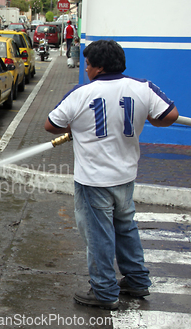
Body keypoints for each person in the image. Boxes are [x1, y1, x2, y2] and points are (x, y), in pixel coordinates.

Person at [44, 40, 179, 309]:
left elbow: (51, 124)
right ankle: (137, 281)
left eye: (89, 65)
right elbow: (170, 115)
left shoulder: (81, 93)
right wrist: (150, 119)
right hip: (126, 175)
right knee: (126, 227)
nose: (86, 70)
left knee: (99, 235)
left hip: (93, 180)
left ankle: (104, 293)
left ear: (99, 67)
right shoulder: (142, 87)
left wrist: (77, 127)